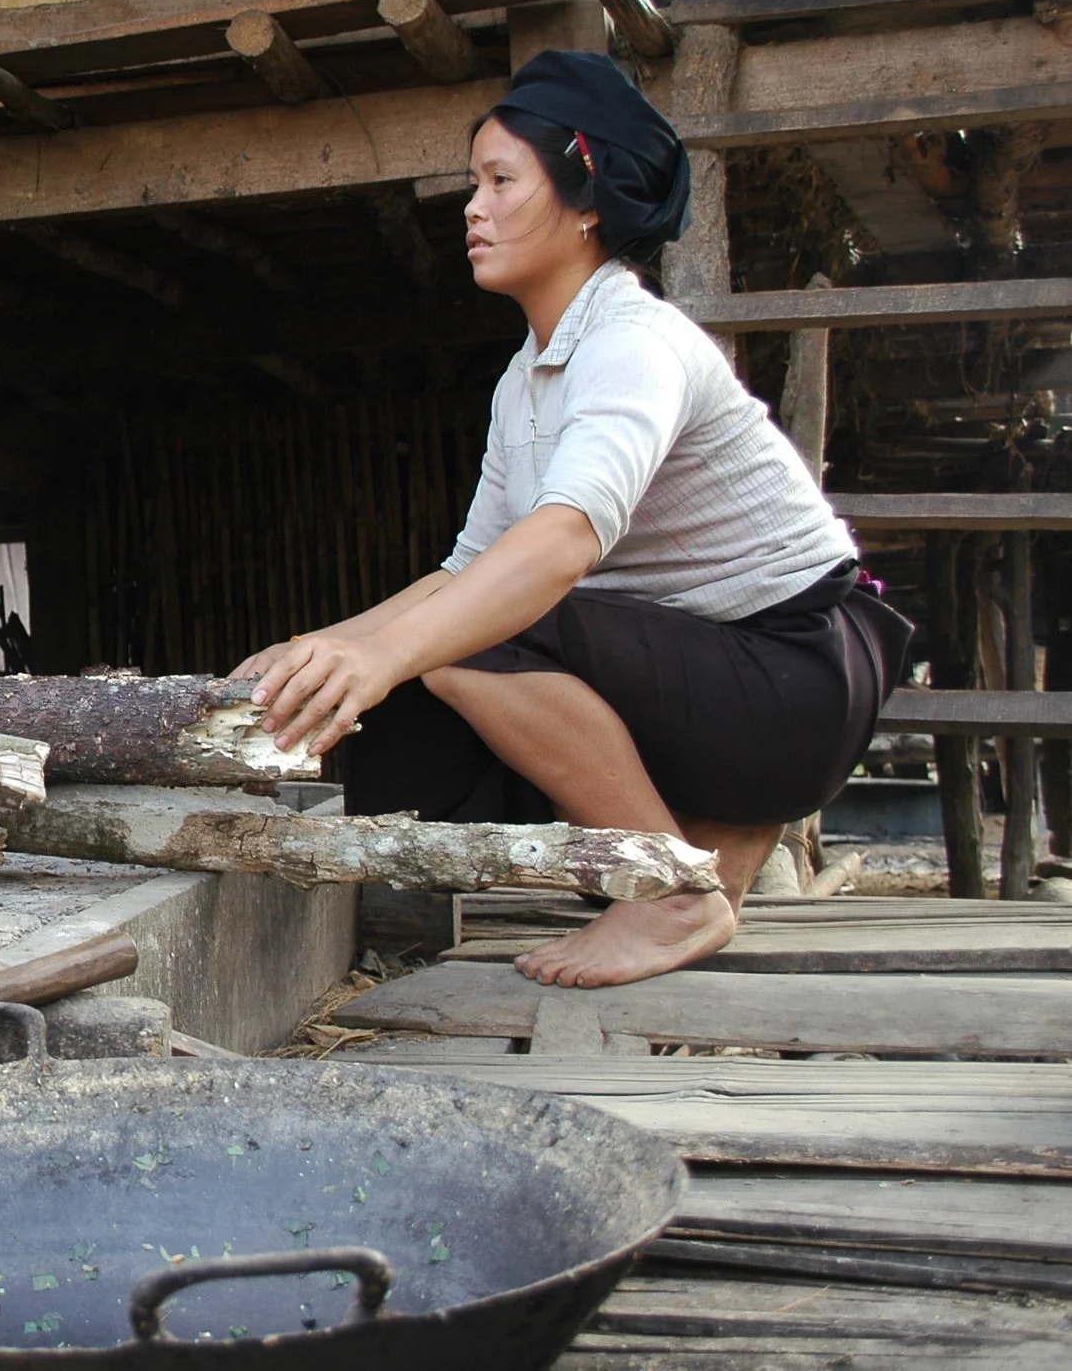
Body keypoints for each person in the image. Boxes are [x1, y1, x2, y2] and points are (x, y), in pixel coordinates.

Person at [231, 50, 911, 989]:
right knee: (405, 711)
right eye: (474, 183)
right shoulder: (528, 377)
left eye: (501, 180)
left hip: (795, 680)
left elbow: (556, 547)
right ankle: (702, 859)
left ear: (588, 198)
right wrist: (322, 645)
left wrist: (390, 654)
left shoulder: (634, 343)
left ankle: (669, 889)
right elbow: (465, 567)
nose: (472, 208)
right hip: (718, 678)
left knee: (466, 645)